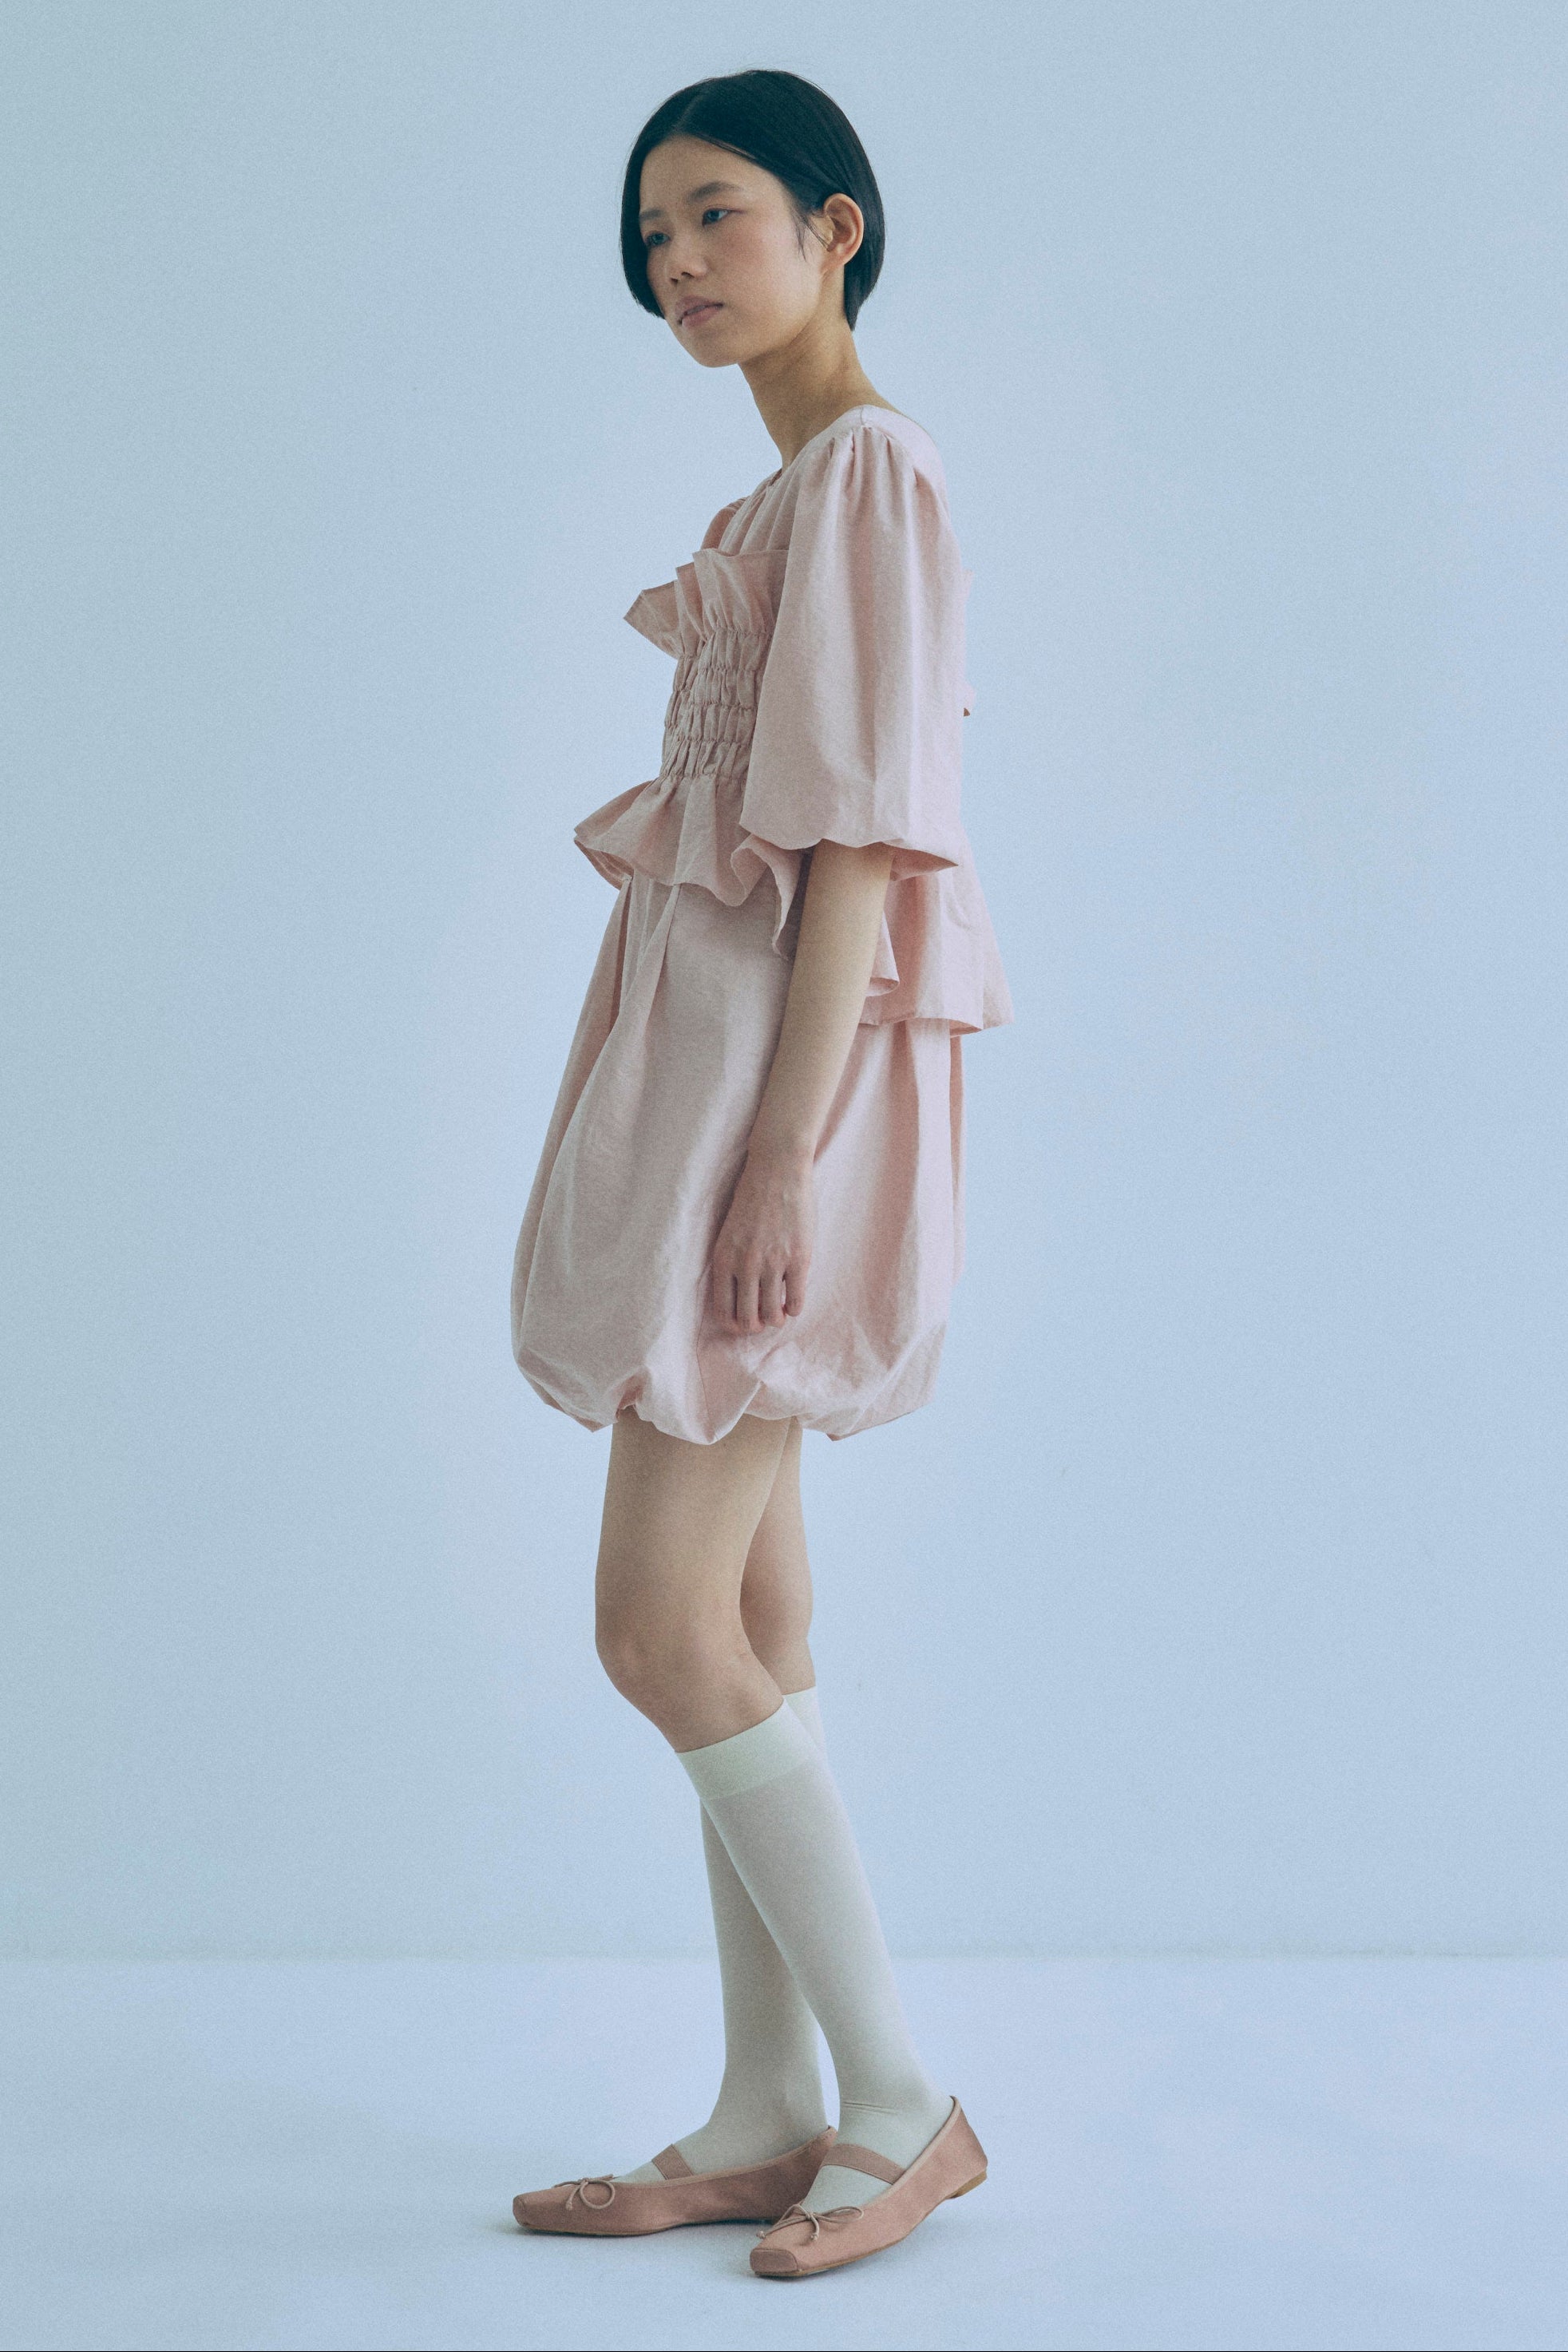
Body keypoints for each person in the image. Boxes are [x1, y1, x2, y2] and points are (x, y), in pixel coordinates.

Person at [508, 68, 1012, 2279]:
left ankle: (899, 2107)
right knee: (753, 1624)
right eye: (652, 238)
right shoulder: (780, 497)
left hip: (769, 1097)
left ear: (836, 226)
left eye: (716, 215)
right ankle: (764, 2111)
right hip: (715, 1071)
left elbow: (864, 851)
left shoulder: (872, 471)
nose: (678, 266)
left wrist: (781, 1160)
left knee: (653, 1626)